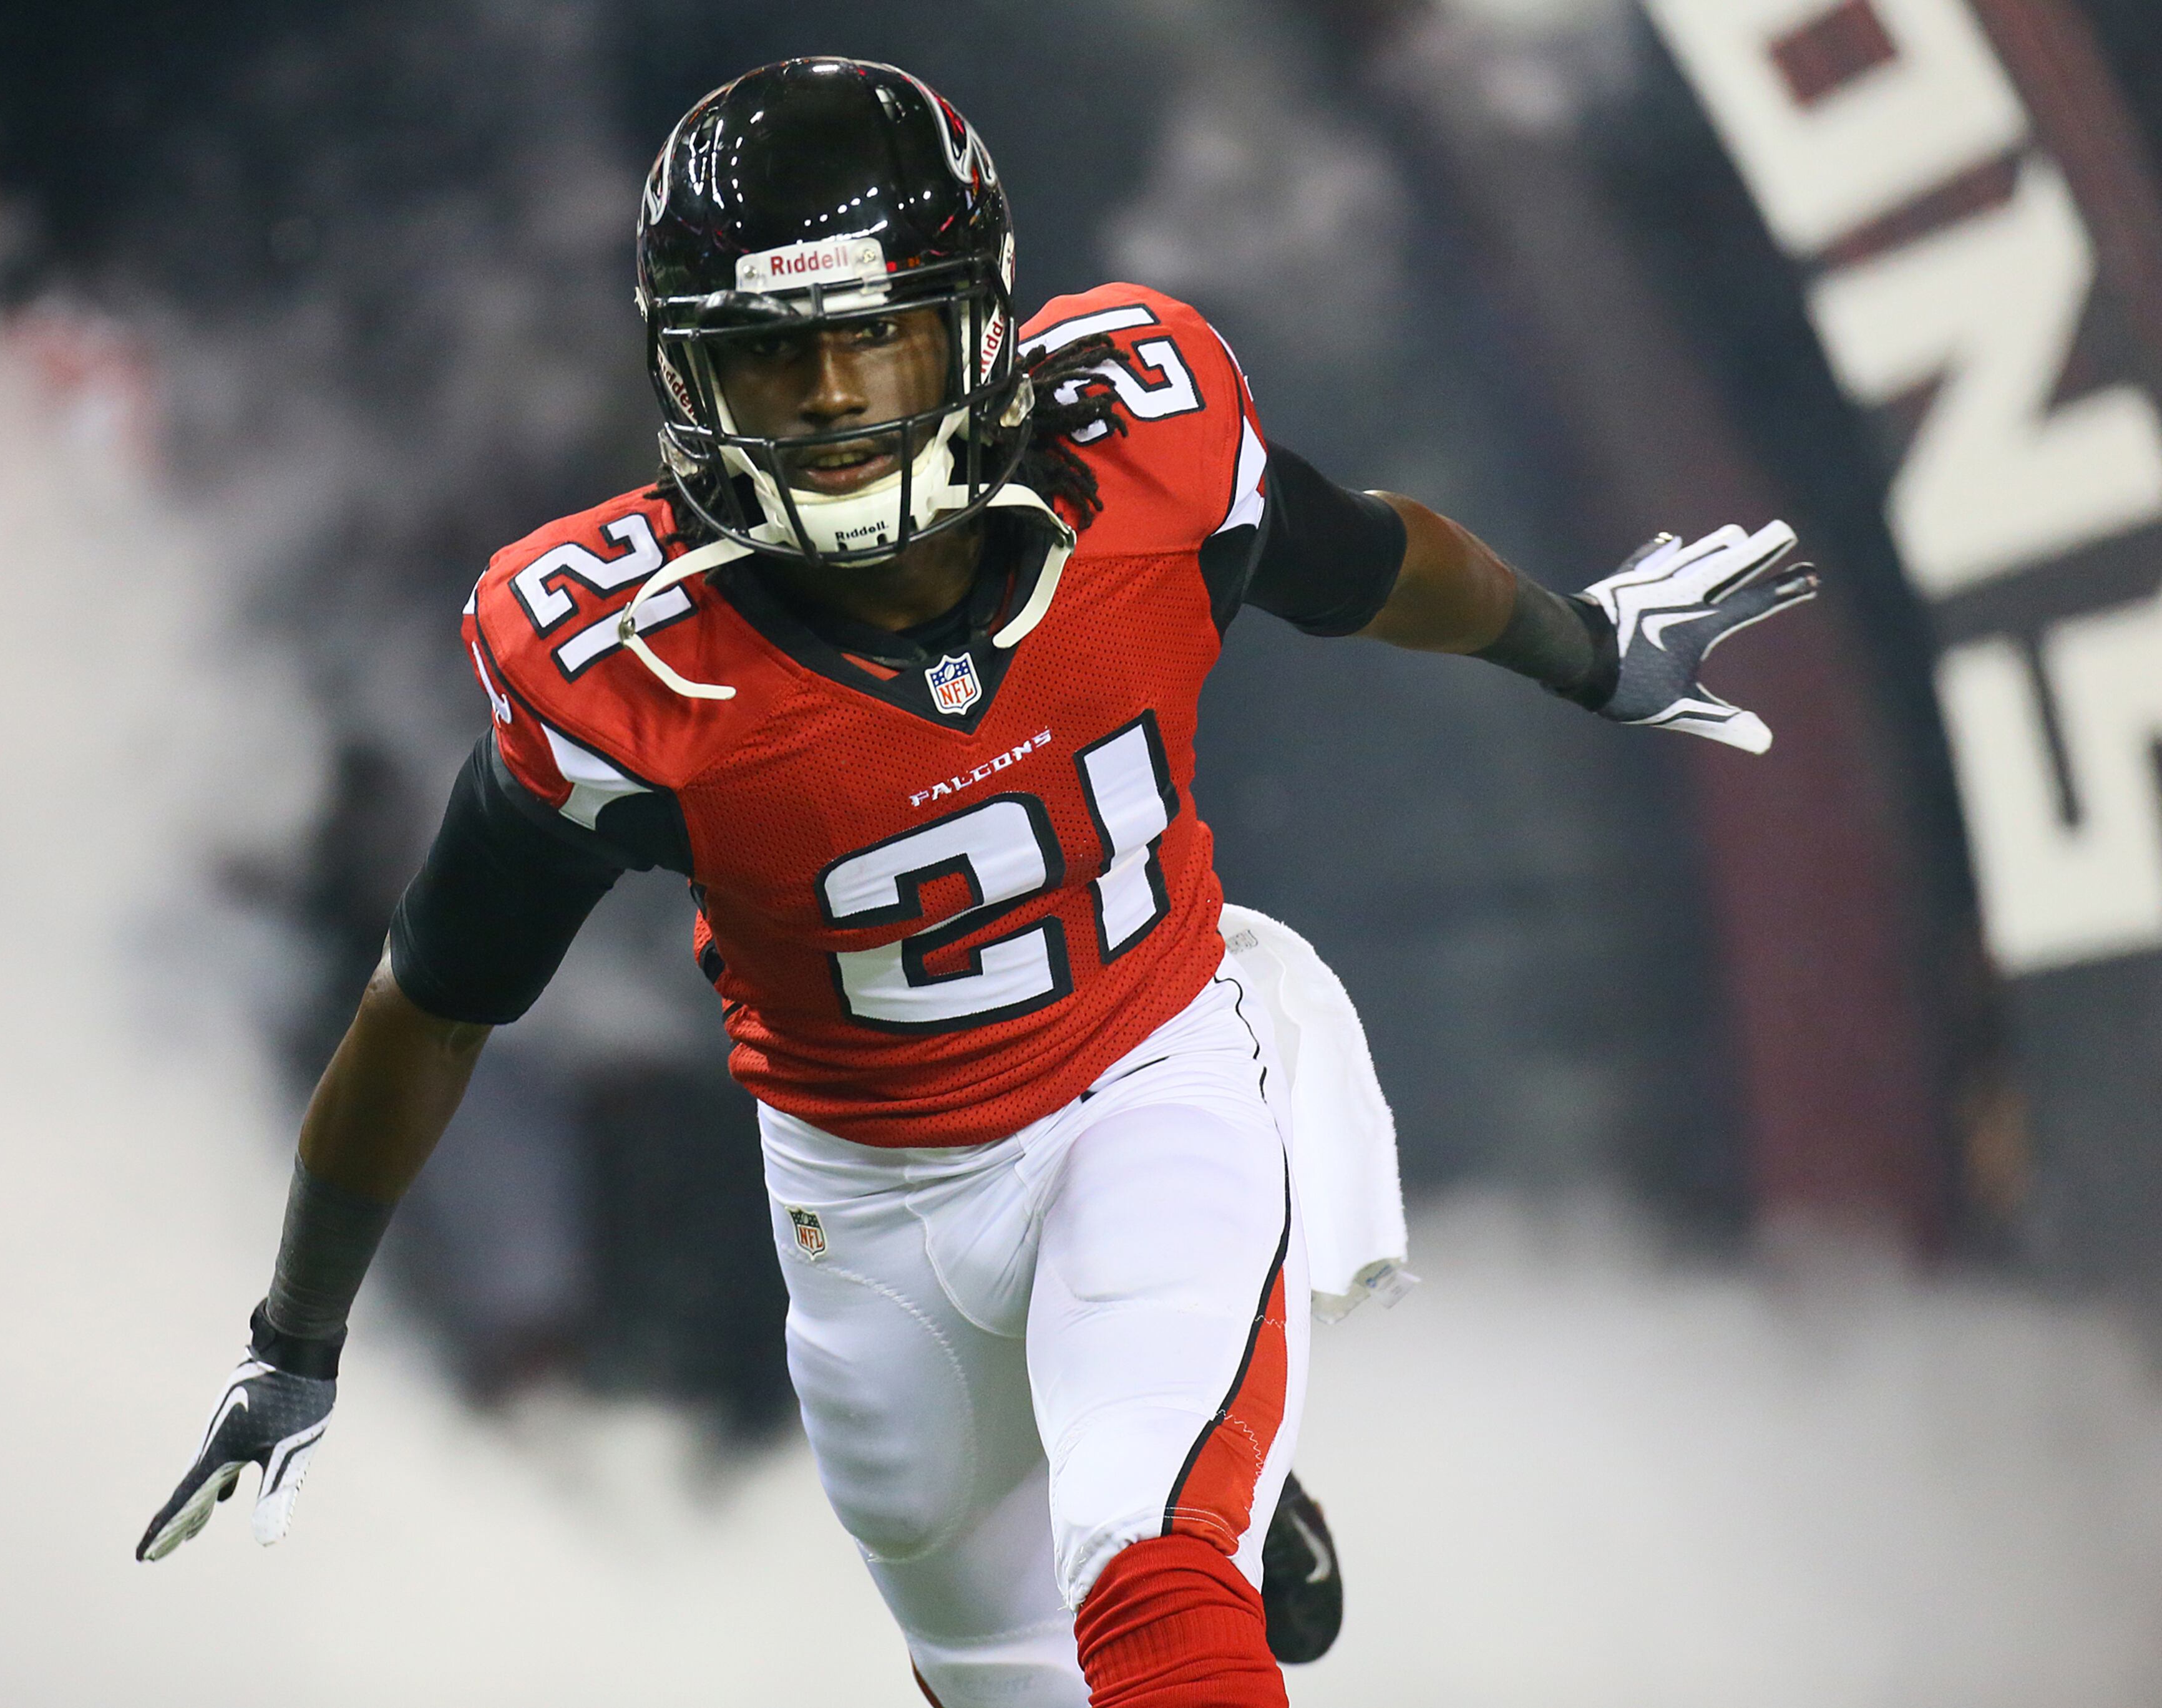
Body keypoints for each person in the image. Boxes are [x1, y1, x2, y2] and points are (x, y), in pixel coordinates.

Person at [137, 57, 1814, 1708]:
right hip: (871, 1221)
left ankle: (1182, 1482)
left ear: (980, 321)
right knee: (1015, 1670)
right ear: (684, 377)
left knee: (1151, 1582)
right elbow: (429, 1006)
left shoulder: (1147, 466)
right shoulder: (626, 675)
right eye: (775, 359)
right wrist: (297, 1336)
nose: (835, 404)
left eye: (875, 335)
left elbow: (1371, 558)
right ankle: (1196, 1461)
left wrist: (1587, 646)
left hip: (1148, 1080)